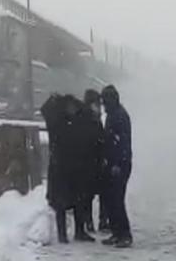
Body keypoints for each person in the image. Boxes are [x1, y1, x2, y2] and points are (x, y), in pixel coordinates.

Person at [41, 94, 100, 244]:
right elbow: (46, 109)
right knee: (61, 203)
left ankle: (79, 232)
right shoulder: (57, 121)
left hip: (75, 168)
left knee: (78, 201)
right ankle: (63, 235)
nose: (71, 110)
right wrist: (56, 99)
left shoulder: (76, 121)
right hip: (60, 168)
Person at [101, 85, 133, 248]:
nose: (103, 105)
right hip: (113, 163)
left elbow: (123, 143)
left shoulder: (119, 116)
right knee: (110, 199)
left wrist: (118, 164)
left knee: (117, 199)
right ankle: (116, 231)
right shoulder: (114, 114)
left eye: (105, 101)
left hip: (119, 164)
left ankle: (124, 234)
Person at [82, 89, 109, 233]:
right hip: (90, 163)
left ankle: (100, 220)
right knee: (89, 195)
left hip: (96, 162)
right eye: (96, 103)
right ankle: (91, 221)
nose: (99, 106)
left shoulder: (95, 119)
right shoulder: (87, 119)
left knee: (99, 193)